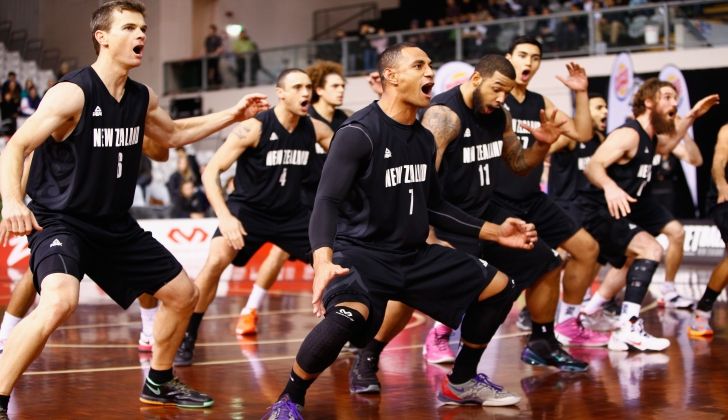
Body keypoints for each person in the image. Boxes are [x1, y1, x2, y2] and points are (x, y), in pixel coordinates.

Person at [0, 1, 269, 416]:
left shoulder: (141, 97)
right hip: (63, 220)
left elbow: (175, 134)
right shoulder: (73, 92)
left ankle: (159, 383)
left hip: (114, 225)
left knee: (184, 295)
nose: (141, 35)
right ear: (102, 38)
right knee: (58, 301)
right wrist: (12, 203)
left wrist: (232, 114)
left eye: (143, 28)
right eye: (129, 27)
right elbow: (17, 145)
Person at [262, 43, 546, 419]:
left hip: (415, 255)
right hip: (362, 254)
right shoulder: (358, 133)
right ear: (391, 77)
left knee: (501, 288)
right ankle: (288, 401)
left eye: (431, 64)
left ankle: (460, 382)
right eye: (419, 65)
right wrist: (323, 261)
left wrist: (496, 232)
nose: (431, 72)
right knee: (346, 317)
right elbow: (326, 202)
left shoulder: (424, 138)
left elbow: (434, 206)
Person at [343, 54, 585, 402]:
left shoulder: (499, 115)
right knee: (407, 295)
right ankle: (368, 355)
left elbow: (518, 164)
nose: (502, 98)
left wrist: (543, 145)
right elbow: (420, 182)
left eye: (507, 91)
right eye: (497, 89)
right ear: (475, 79)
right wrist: (429, 237)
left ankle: (540, 341)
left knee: (546, 263)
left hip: (485, 215)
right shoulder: (444, 116)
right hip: (448, 220)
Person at [173, 68, 334, 366]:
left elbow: (348, 164)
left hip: (291, 215)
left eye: (309, 87)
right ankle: (188, 334)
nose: (305, 93)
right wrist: (224, 217)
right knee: (215, 262)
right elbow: (211, 172)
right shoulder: (254, 128)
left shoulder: (316, 129)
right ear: (280, 93)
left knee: (336, 263)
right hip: (247, 213)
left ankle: (346, 335)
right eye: (297, 87)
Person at [577, 78, 718, 351]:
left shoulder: (651, 136)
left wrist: (690, 116)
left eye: (676, 98)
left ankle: (591, 312)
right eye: (667, 97)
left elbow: (667, 147)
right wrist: (610, 187)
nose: (674, 103)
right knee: (650, 249)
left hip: (631, 205)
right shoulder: (628, 134)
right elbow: (593, 166)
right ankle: (627, 327)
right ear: (649, 102)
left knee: (633, 260)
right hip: (599, 209)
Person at [494, 36, 604, 346]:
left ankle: (568, 322)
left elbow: (582, 132)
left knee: (587, 249)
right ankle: (443, 332)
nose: (528, 62)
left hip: (532, 197)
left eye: (535, 57)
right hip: (496, 200)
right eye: (523, 55)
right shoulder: (496, 99)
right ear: (508, 58)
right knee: (491, 275)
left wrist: (580, 93)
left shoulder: (540, 102)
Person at [234, 61, 351, 337]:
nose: (341, 91)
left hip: (333, 200)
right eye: (335, 86)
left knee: (341, 256)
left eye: (343, 86)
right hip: (302, 196)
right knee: (279, 252)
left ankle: (342, 317)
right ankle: (250, 309)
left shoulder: (343, 120)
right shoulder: (302, 119)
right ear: (319, 92)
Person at [689, 123, 728, 337]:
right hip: (724, 198)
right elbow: (718, 162)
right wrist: (722, 183)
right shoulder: (727, 130)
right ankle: (702, 312)